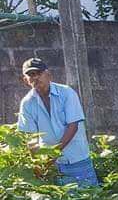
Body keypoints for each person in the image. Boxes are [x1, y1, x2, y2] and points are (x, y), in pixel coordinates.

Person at [17, 58, 98, 187]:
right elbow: (31, 138)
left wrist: (54, 154)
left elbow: (73, 126)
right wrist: (37, 163)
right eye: (31, 75)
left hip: (77, 158)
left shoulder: (67, 93)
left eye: (39, 73)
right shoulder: (27, 103)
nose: (36, 78)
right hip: (53, 166)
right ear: (25, 80)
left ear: (48, 75)